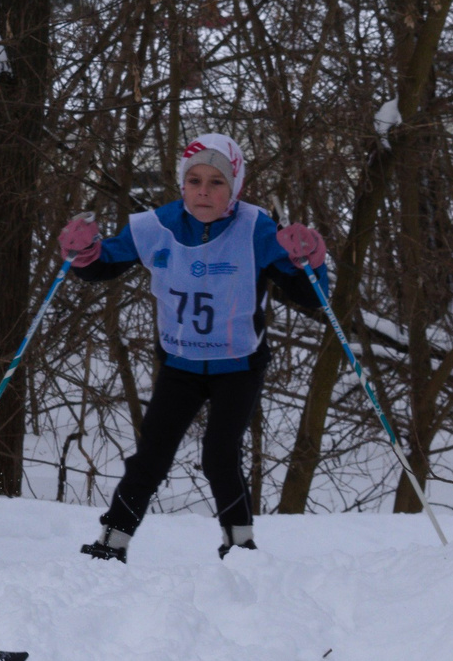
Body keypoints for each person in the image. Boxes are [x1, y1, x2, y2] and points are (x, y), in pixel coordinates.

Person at [57, 133, 329, 562]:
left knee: (219, 456)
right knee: (151, 457)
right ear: (181, 184)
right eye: (194, 180)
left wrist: (311, 258)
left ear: (235, 186)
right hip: (180, 362)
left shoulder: (257, 228)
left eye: (216, 182)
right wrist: (83, 252)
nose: (204, 191)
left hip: (238, 363)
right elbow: (103, 263)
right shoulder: (154, 226)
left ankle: (240, 544)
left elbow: (311, 295)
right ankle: (112, 541)